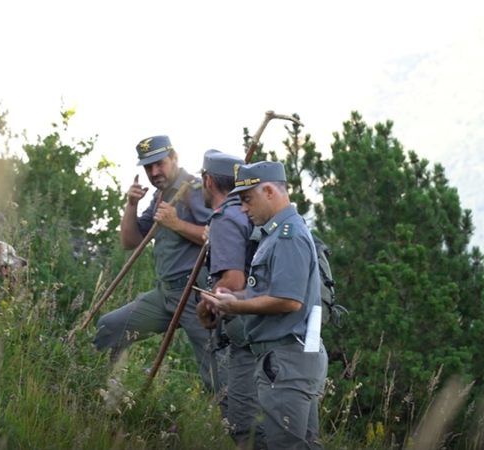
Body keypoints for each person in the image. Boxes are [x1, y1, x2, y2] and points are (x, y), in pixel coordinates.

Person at [200, 161, 328, 450]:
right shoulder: (276, 233)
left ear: (269, 191)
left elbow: (288, 300)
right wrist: (234, 298)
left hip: (286, 359)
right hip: (288, 358)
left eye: (247, 199)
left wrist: (236, 308)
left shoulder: (287, 235)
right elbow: (270, 291)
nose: (244, 209)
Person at [93, 135, 219, 392]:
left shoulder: (195, 189)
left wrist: (177, 224)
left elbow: (218, 237)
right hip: (165, 294)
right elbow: (130, 241)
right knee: (110, 327)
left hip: (194, 295)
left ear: (174, 158)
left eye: (159, 163)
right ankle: (110, 393)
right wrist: (131, 205)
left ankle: (235, 416)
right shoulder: (161, 195)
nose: (154, 172)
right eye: (148, 167)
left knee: (217, 372)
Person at [196, 150, 263, 447]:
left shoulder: (225, 219)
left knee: (245, 425)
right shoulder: (251, 213)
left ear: (209, 181)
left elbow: (233, 282)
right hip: (268, 329)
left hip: (245, 331)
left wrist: (206, 302)